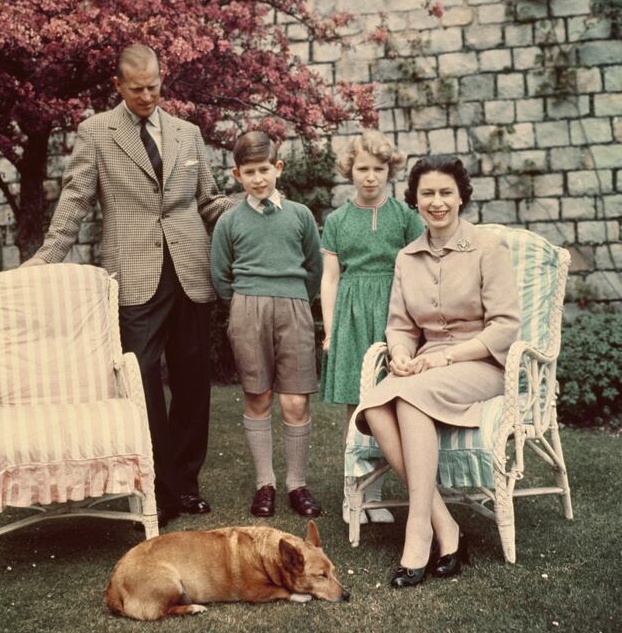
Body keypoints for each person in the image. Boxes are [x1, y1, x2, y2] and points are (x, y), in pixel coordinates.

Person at [23, 44, 231, 527]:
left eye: (154, 86)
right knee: (140, 382)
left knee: (192, 380)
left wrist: (252, 209)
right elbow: (76, 198)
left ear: (163, 78)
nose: (146, 96)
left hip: (190, 271)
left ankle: (186, 483)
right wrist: (47, 255)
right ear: (117, 86)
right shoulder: (96, 133)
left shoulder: (188, 134)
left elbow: (210, 201)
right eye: (136, 89)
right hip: (133, 274)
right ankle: (157, 486)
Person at [353, 155, 520, 587]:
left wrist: (446, 357)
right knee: (374, 407)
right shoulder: (407, 258)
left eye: (446, 192)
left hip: (479, 363)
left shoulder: (487, 247)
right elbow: (400, 326)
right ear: (415, 200)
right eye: (427, 193)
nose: (437, 201)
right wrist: (400, 353)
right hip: (426, 366)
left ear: (461, 196)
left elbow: (505, 325)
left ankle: (417, 533)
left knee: (407, 397)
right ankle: (444, 527)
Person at [210, 131, 324, 518]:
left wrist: (296, 301)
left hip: (294, 305)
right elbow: (220, 275)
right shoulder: (229, 221)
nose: (259, 179)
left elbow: (314, 268)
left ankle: (297, 483)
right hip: (248, 308)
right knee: (258, 397)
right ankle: (265, 484)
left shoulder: (300, 215)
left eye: (265, 170)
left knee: (294, 400)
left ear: (278, 168)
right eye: (249, 172)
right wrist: (244, 305)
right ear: (237, 175)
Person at [319, 131, 424, 525]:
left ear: (390, 170)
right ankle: (353, 495)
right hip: (351, 314)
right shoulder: (338, 221)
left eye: (378, 169)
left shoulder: (405, 217)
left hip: (394, 313)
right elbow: (330, 279)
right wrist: (330, 330)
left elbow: (420, 270)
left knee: (391, 403)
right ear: (350, 170)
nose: (370, 176)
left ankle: (376, 495)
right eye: (362, 168)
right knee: (355, 405)